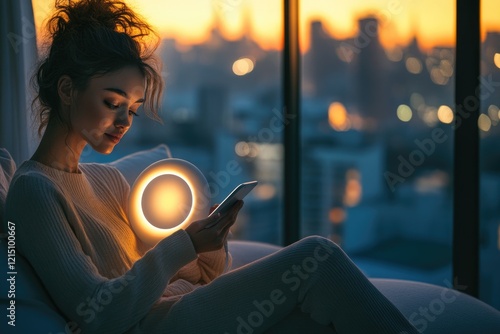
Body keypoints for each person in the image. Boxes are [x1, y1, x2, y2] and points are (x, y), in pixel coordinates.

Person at [4, 1, 418, 333]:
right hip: (157, 323)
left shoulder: (104, 180)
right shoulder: (35, 190)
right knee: (317, 256)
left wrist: (213, 241)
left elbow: (200, 275)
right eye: (113, 103)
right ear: (66, 90)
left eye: (132, 108)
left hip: (187, 305)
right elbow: (99, 315)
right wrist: (182, 244)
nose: (126, 121)